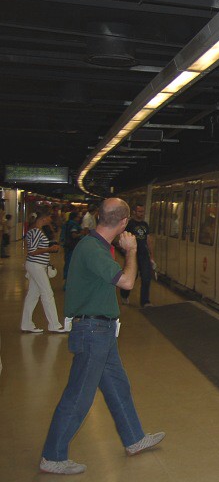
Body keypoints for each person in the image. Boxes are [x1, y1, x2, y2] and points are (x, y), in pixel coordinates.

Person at [39, 198, 164, 475]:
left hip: (101, 331)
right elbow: (128, 282)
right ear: (123, 223)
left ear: (99, 217)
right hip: (93, 332)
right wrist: (131, 251)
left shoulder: (96, 245)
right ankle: (52, 456)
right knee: (79, 396)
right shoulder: (93, 248)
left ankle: (134, 438)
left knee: (118, 386)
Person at [21, 207, 65, 334]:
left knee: (33, 295)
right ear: (43, 218)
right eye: (49, 217)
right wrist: (49, 249)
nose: (51, 219)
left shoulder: (35, 231)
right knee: (47, 294)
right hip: (36, 265)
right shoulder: (35, 231)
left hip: (36, 265)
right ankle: (54, 324)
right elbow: (33, 251)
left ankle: (26, 323)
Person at [120, 204, 155, 307]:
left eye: (142, 212)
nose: (141, 214)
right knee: (132, 276)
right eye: (139, 211)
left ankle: (145, 301)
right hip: (133, 254)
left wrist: (152, 255)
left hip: (144, 254)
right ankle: (124, 294)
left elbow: (148, 240)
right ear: (134, 212)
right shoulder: (130, 224)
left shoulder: (145, 224)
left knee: (146, 277)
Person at [62, 211, 84, 281]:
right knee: (70, 264)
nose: (78, 218)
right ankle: (68, 281)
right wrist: (81, 234)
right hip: (72, 246)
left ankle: (66, 278)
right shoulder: (74, 225)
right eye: (77, 217)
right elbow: (74, 235)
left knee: (67, 263)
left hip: (67, 245)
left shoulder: (67, 223)